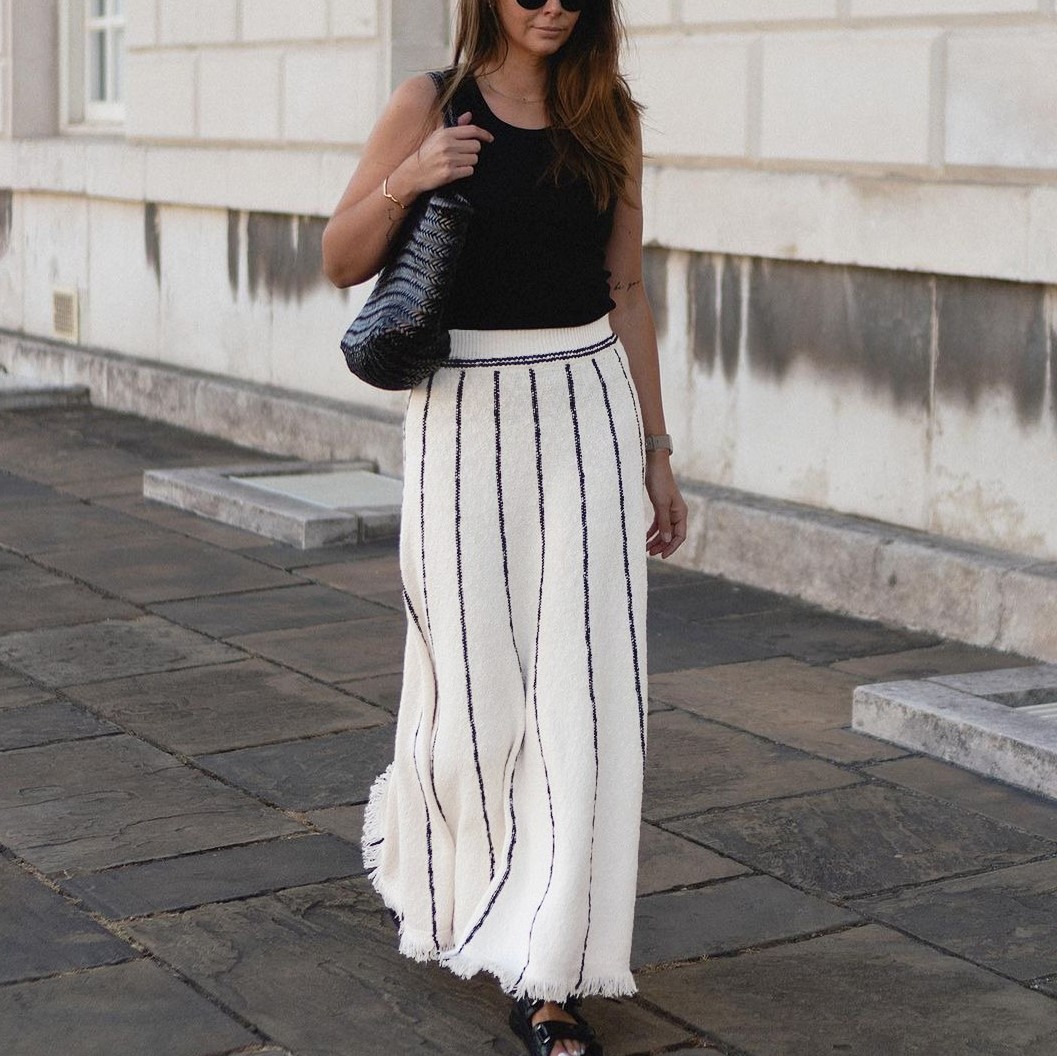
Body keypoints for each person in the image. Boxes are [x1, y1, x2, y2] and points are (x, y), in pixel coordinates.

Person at [322, 1, 687, 1052]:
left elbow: (626, 288)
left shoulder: (609, 113)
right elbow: (338, 259)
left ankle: (549, 966)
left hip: (587, 409)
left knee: (586, 696)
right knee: (472, 694)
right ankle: (452, 884)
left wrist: (658, 452)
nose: (552, 2)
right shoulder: (429, 102)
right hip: (461, 417)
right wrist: (413, 174)